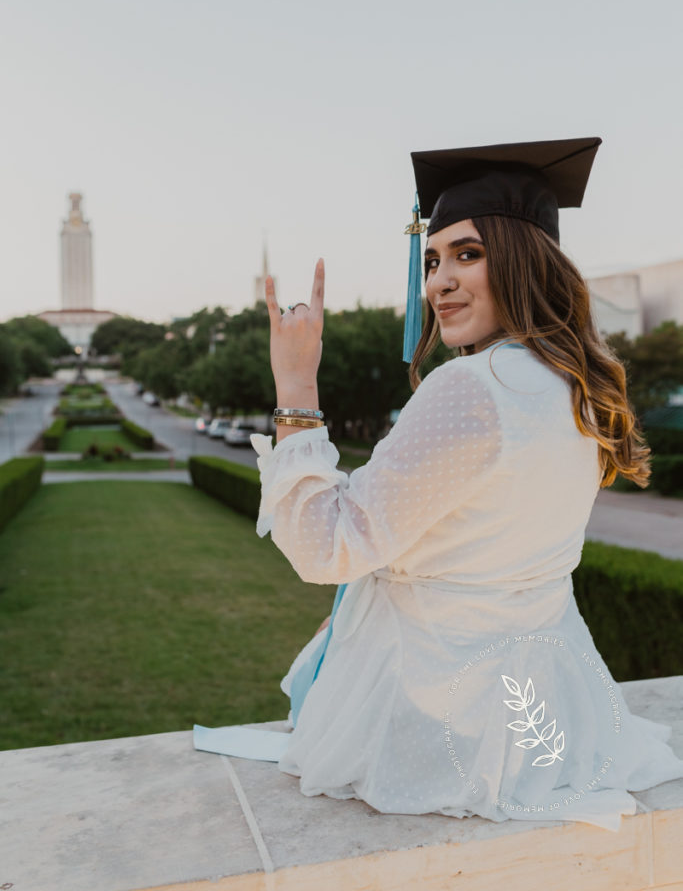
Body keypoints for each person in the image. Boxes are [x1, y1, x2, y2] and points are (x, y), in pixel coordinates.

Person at [245, 137, 683, 831]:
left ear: (523, 259)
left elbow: (329, 550)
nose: (437, 283)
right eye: (431, 260)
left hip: (439, 721)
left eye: (467, 255)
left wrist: (296, 386)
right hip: (545, 718)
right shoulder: (573, 387)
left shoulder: (473, 387)